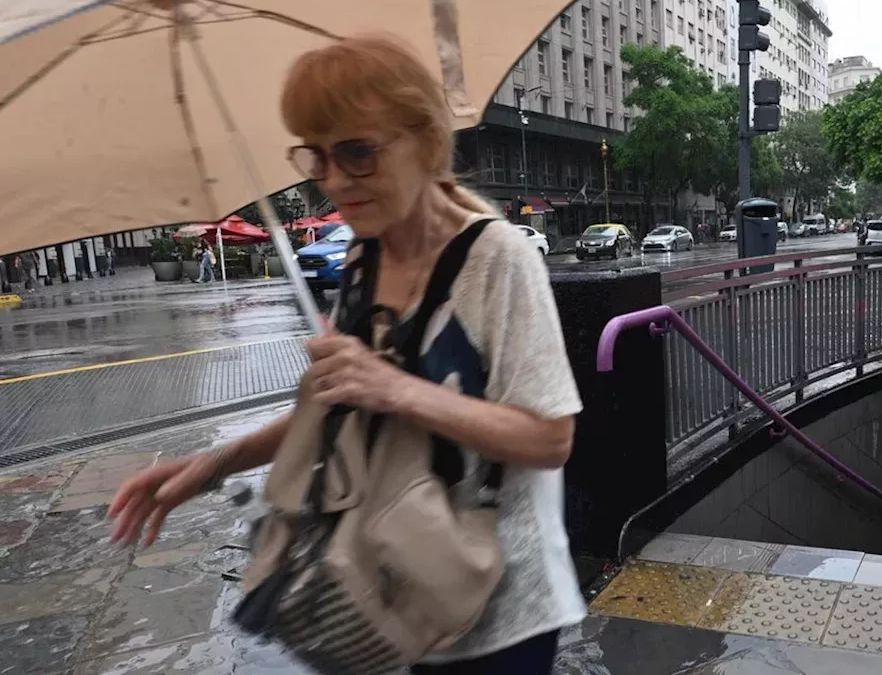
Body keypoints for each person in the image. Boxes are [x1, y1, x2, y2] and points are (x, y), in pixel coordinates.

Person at [107, 35, 584, 674]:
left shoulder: (498, 260)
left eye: (358, 152)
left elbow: (550, 437)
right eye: (317, 157)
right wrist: (213, 464)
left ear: (425, 139)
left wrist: (396, 389)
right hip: (393, 591)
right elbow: (339, 407)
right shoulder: (364, 256)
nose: (334, 180)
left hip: (502, 609)